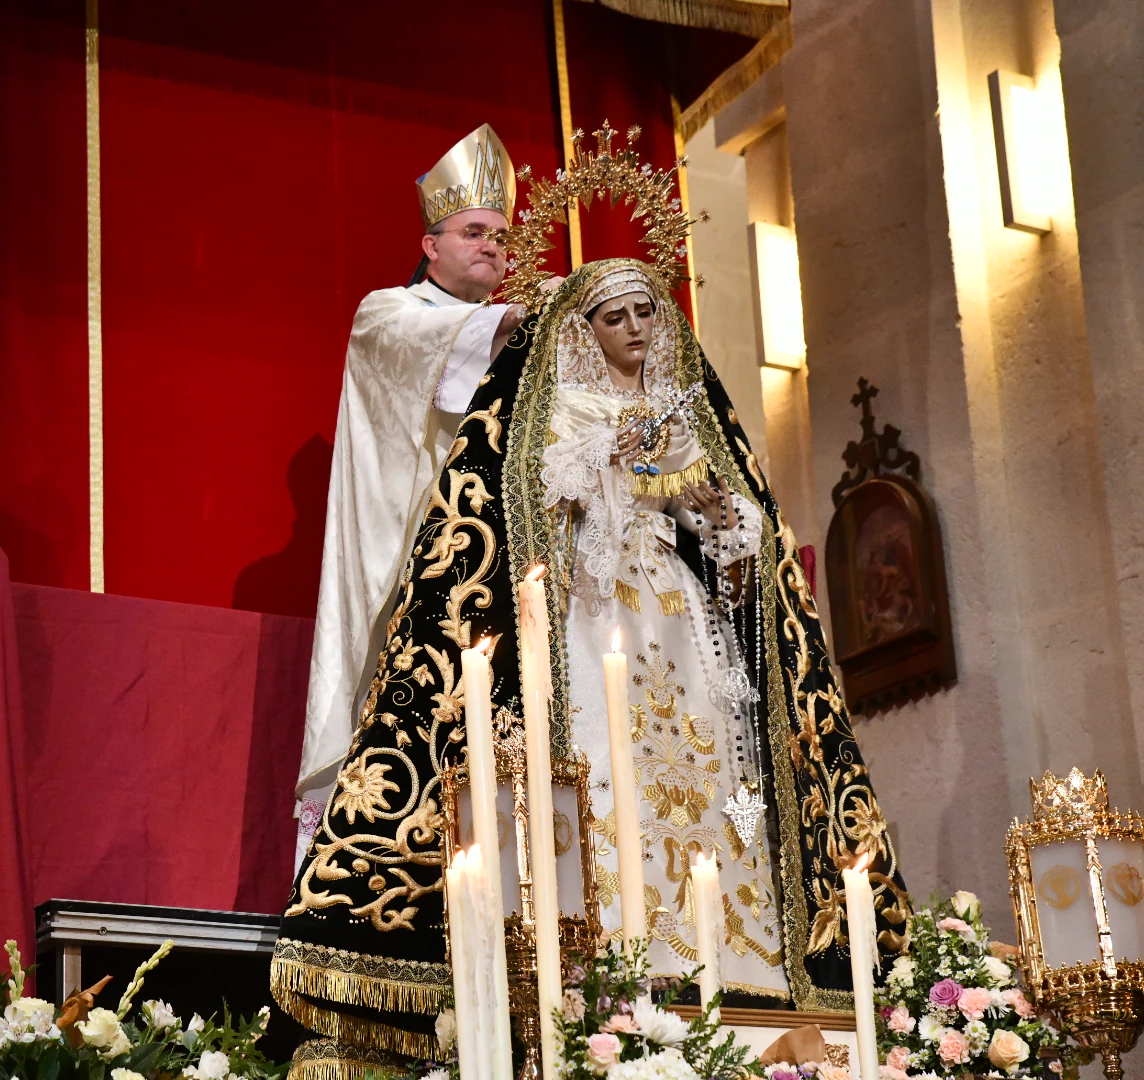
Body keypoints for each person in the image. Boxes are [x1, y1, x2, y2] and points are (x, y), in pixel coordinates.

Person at [271, 259, 909, 1070]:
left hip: (683, 625)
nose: (639, 328)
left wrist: (719, 518)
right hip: (596, 617)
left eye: (648, 312)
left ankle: (733, 969)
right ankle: (608, 966)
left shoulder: (687, 420)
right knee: (609, 777)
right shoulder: (559, 404)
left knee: (718, 782)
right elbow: (534, 511)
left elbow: (739, 551)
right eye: (617, 317)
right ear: (583, 332)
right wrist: (609, 456)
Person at [297, 123, 527, 853]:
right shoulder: (387, 313)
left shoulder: (514, 334)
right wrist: (529, 321)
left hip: (505, 560)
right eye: (473, 231)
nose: (492, 245)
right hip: (418, 561)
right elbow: (450, 352)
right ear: (430, 245)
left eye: (500, 235)